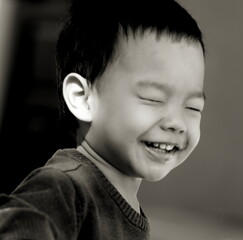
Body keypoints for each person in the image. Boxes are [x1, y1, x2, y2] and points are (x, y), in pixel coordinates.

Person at [0, 0, 206, 239]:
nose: (176, 123)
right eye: (153, 99)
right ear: (83, 98)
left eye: (192, 107)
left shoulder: (121, 205)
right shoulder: (66, 186)